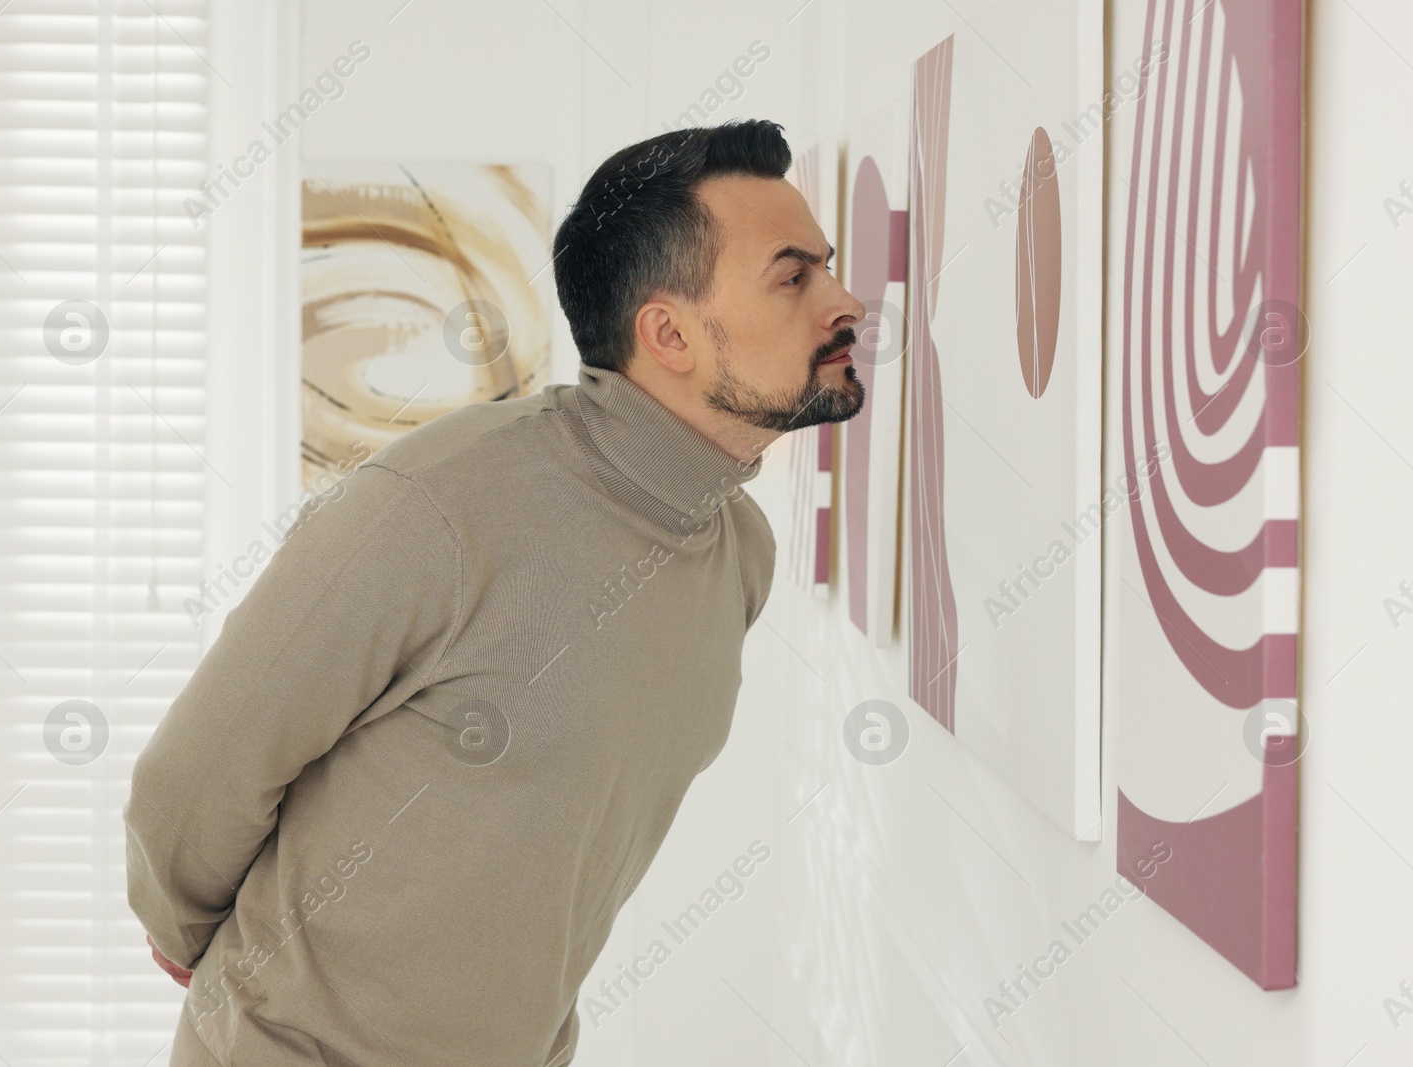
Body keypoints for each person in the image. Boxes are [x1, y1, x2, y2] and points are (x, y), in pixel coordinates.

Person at [123, 117, 866, 1067]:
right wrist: (213, 957)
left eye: (827, 267)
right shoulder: (441, 500)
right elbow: (194, 774)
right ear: (669, 332)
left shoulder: (740, 551)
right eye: (794, 274)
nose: (845, 300)